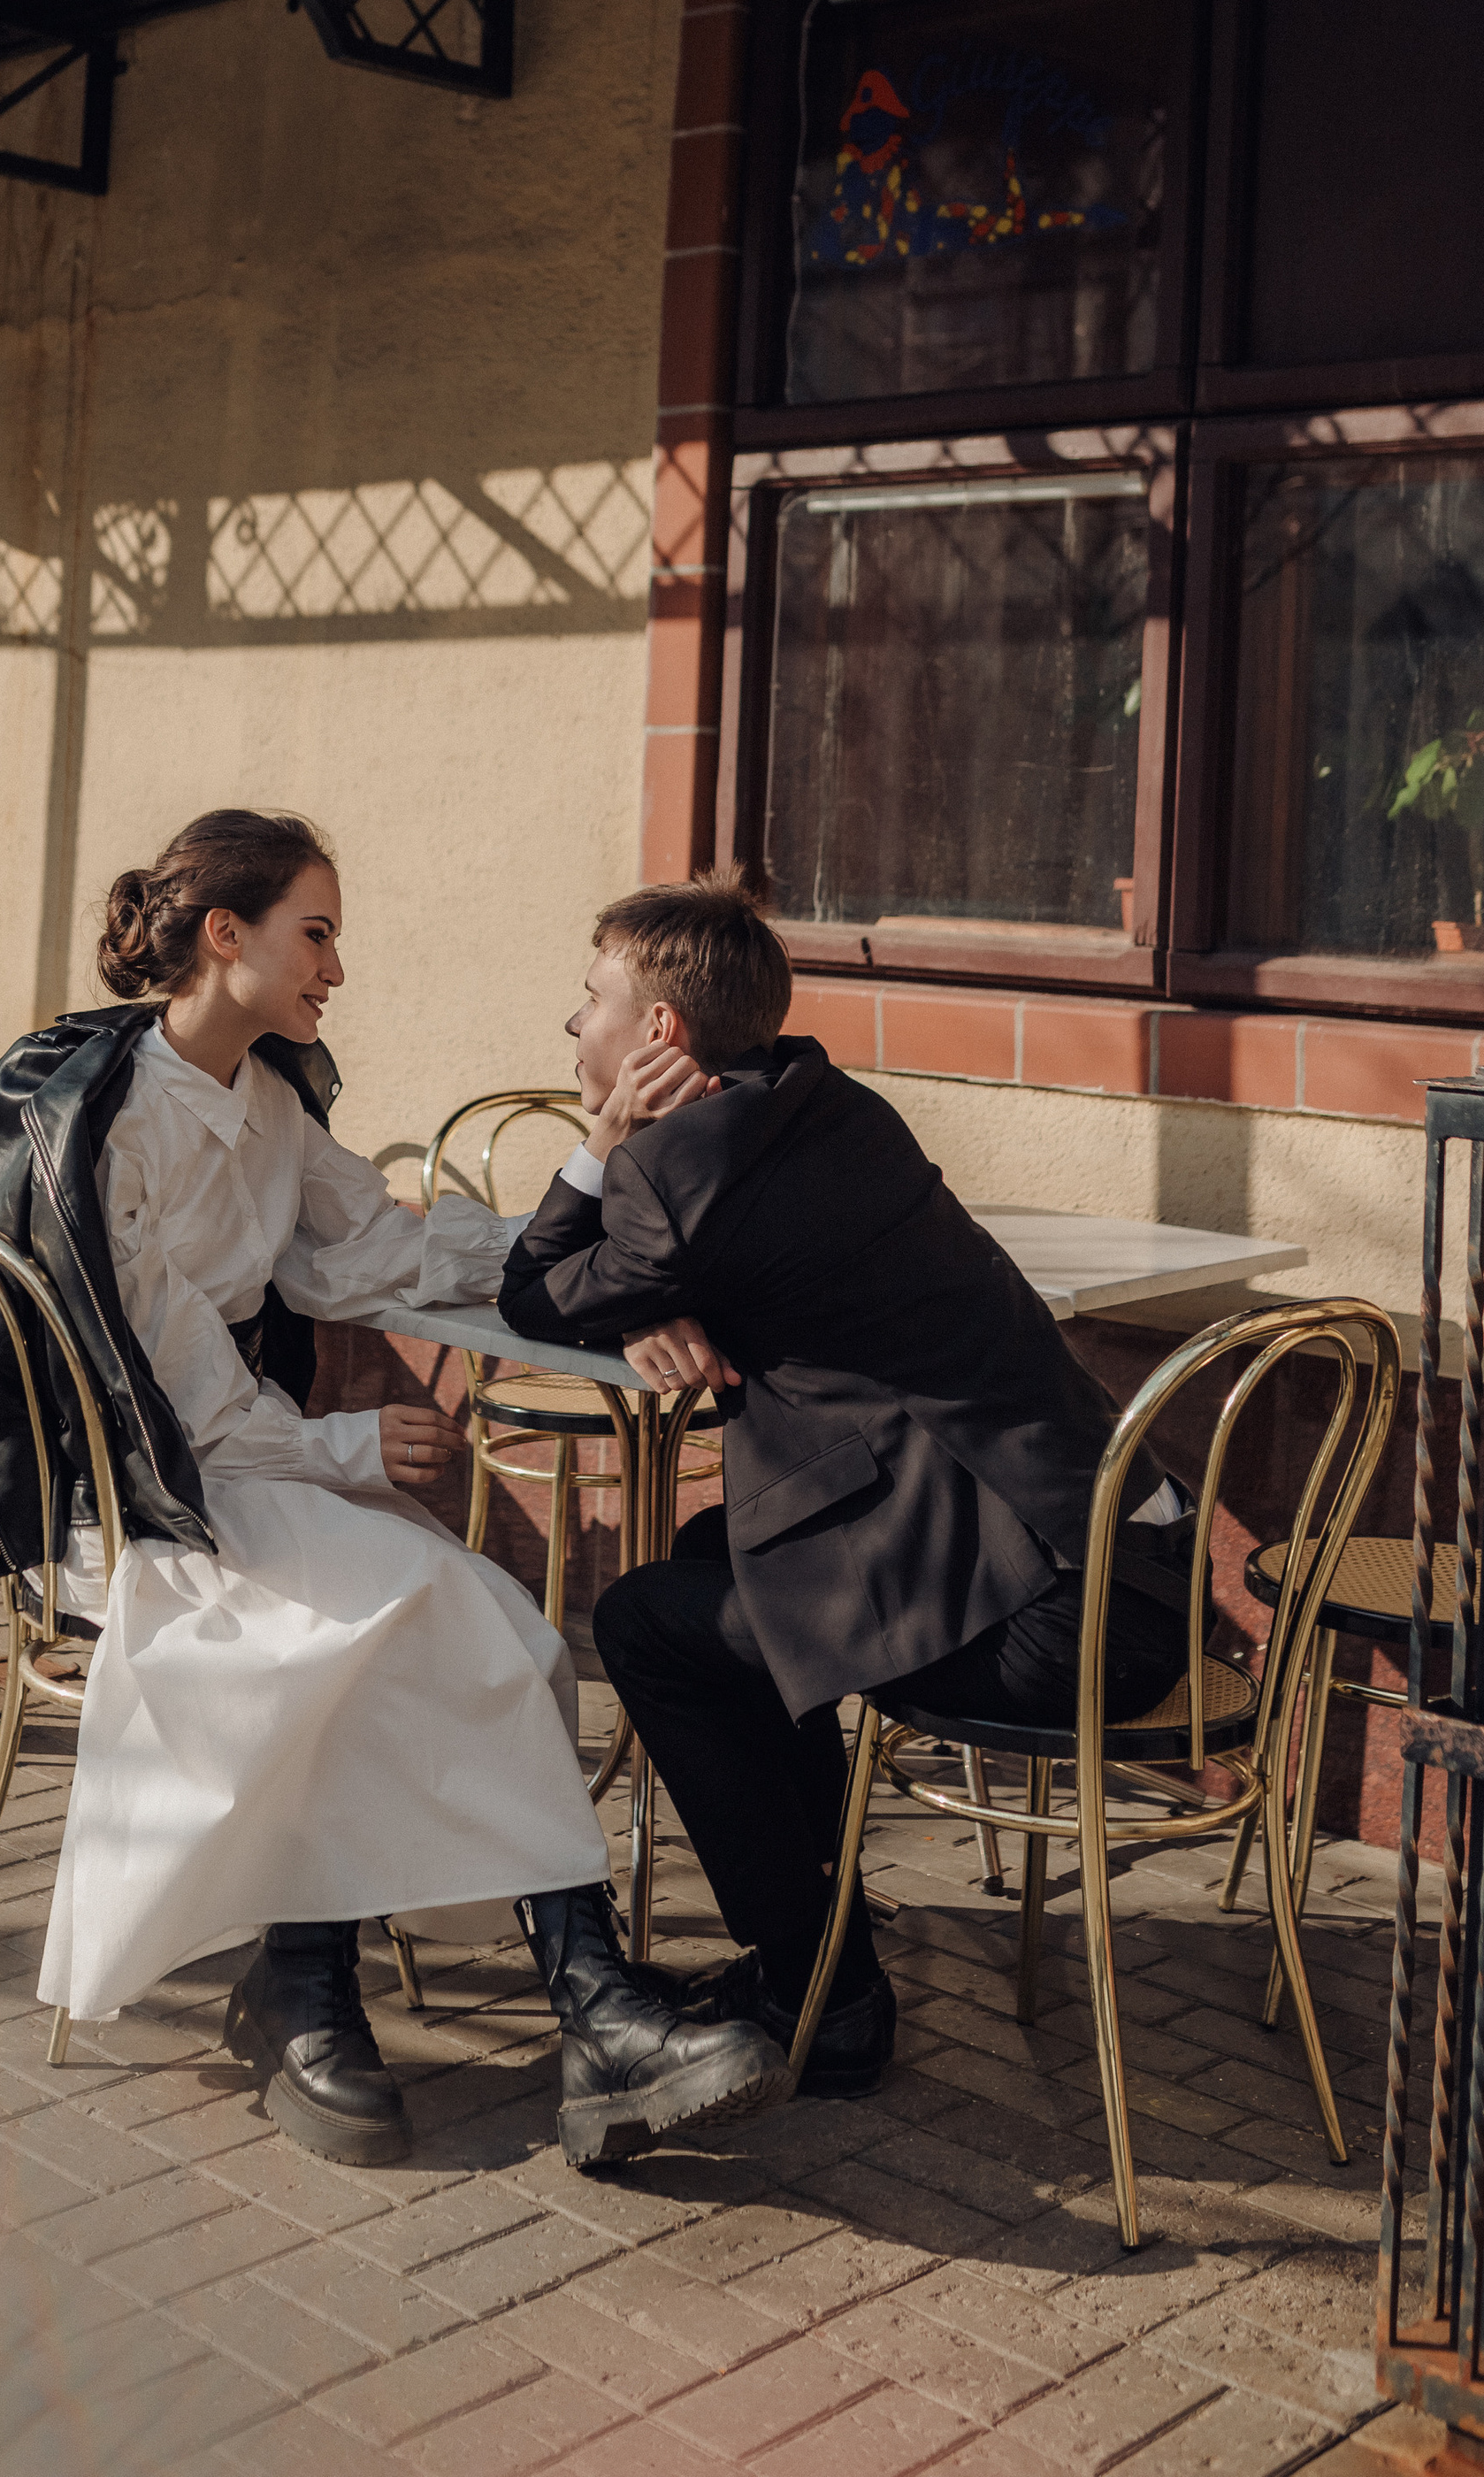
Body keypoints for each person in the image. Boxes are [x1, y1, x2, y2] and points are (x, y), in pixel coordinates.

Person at [0, 809, 787, 2169]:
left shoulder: (266, 1104)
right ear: (228, 935)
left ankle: (413, 1996)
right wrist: (349, 1449)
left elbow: (381, 1257)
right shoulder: (110, 1125)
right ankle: (420, 1994)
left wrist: (607, 1228)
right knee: (422, 1604)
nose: (337, 969)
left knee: (490, 1624)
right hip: (138, 1494)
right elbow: (167, 1397)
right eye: (317, 934)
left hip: (246, 1463)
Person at [498, 870, 1194, 2097]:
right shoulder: (829, 1103)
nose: (571, 1021)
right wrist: (656, 1298)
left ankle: (824, 1994)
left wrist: (602, 1144)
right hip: (1125, 1571)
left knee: (645, 1624)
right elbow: (725, 1262)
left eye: (589, 996)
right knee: (720, 1560)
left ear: (659, 1030)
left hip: (1051, 1624)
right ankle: (822, 1960)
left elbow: (529, 1290)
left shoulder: (677, 1167)